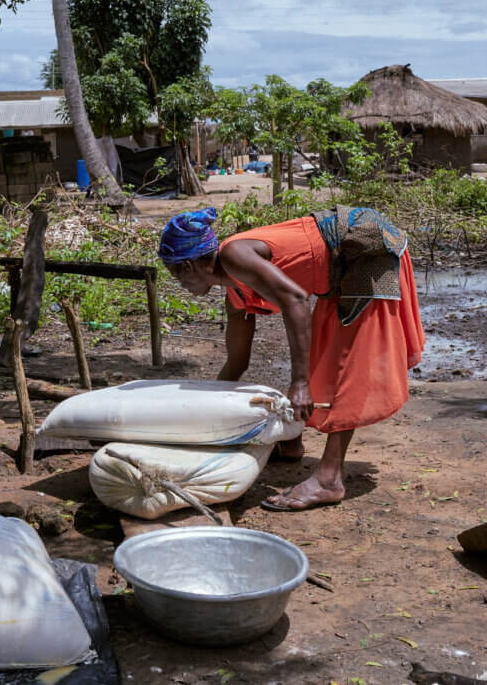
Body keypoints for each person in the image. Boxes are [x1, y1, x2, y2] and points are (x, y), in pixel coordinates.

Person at [158, 206, 425, 512]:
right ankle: (291, 441)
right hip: (338, 272)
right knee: (320, 364)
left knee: (345, 365)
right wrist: (206, 423)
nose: (180, 284)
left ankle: (329, 479)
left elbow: (295, 299)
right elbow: (237, 363)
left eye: (176, 273)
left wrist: (299, 384)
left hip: (364, 250)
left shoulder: (235, 256)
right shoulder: (236, 292)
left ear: (190, 266)